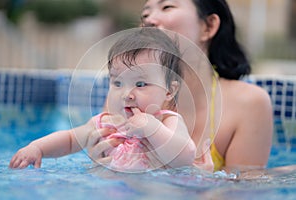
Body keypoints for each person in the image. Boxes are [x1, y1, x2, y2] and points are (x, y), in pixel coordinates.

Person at [89, 0, 274, 172]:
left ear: (208, 26)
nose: (149, 21)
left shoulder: (248, 103)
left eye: (167, 7)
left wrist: (199, 182)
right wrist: (100, 165)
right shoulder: (127, 96)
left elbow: (246, 192)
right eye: (145, 15)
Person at [9, 28, 198, 172]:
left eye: (140, 84)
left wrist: (152, 129)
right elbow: (69, 139)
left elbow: (186, 156)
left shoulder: (167, 121)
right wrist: (37, 148)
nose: (127, 94)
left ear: (169, 91)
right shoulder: (105, 123)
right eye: (118, 83)